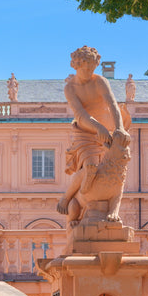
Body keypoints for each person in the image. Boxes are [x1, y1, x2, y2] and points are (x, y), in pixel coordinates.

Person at [57, 46, 130, 226]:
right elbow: (81, 114)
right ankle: (66, 198)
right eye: (86, 68)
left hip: (107, 131)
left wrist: (120, 128)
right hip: (85, 133)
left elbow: (113, 105)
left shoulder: (100, 81)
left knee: (113, 173)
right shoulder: (70, 88)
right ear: (76, 65)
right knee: (90, 167)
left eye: (92, 68)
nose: (89, 72)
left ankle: (105, 208)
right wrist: (98, 128)